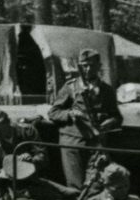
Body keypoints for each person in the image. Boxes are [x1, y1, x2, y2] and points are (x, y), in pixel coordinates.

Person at [47, 48, 122, 188]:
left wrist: (110, 122)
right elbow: (53, 112)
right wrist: (70, 114)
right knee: (75, 185)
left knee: (96, 183)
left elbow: (117, 117)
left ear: (99, 66)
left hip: (96, 143)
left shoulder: (107, 90)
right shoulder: (71, 87)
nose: (87, 69)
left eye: (91, 65)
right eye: (84, 66)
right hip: (72, 143)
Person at [0, 107, 46, 194]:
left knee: (67, 194)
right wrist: (0, 174)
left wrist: (31, 160)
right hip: (10, 189)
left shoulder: (27, 131)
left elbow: (43, 156)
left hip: (33, 182)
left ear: (7, 122)